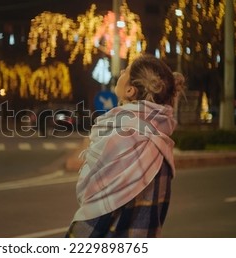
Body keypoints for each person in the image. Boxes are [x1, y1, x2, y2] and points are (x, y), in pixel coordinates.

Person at [66, 55, 183, 238]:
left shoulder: (122, 139)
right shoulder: (160, 144)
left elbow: (95, 218)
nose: (121, 72)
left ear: (130, 90)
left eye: (126, 70)